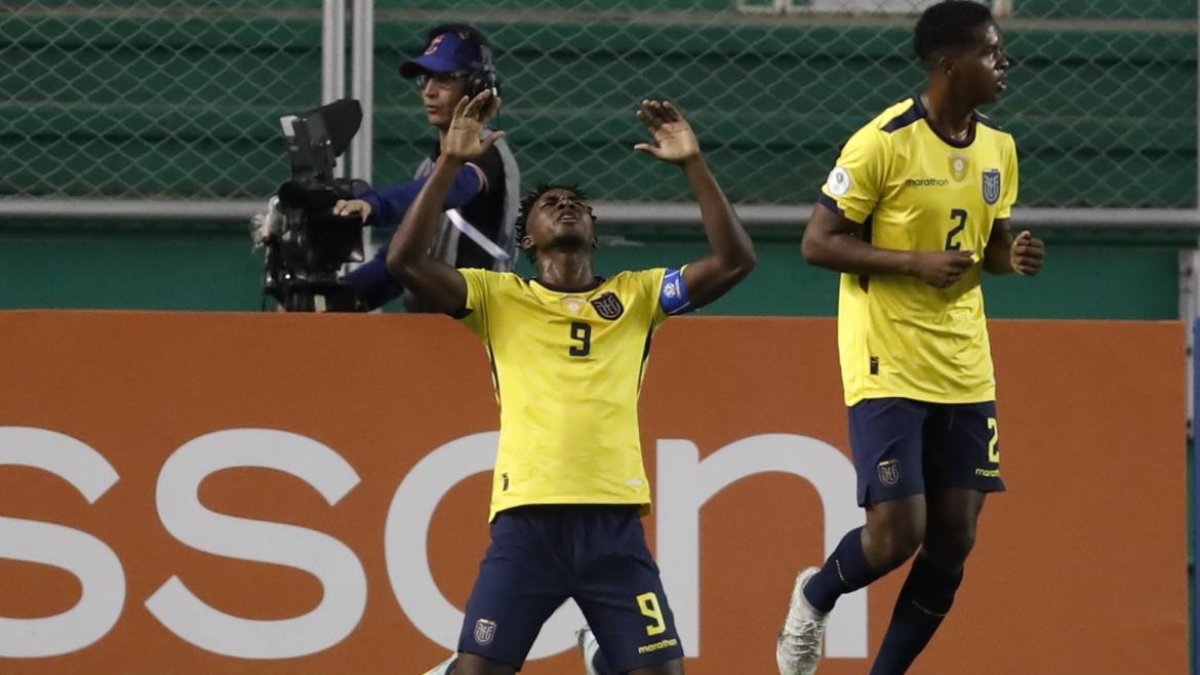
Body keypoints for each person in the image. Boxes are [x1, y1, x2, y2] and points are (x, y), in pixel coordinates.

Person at [364, 91, 755, 675]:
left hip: (613, 526)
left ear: (594, 232)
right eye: (550, 203)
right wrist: (448, 163)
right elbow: (405, 263)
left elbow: (734, 261)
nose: (566, 206)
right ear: (527, 240)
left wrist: (693, 164)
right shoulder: (499, 298)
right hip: (528, 524)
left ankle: (602, 651)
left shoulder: (637, 294)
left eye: (577, 204)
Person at [775, 2, 1044, 674]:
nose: (1002, 62)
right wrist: (911, 263)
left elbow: (990, 245)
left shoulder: (998, 149)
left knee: (955, 538)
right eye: (990, 51)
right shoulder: (883, 142)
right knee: (898, 535)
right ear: (947, 63)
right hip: (887, 357)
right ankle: (814, 595)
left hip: (964, 361)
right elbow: (817, 243)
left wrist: (1011, 258)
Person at [338, 23, 519, 311]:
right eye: (426, 79)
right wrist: (334, 299)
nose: (429, 91)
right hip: (436, 333)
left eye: (445, 79)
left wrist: (373, 205)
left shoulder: (487, 153)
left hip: (482, 329)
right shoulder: (429, 168)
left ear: (477, 87)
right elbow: (395, 267)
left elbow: (453, 188)